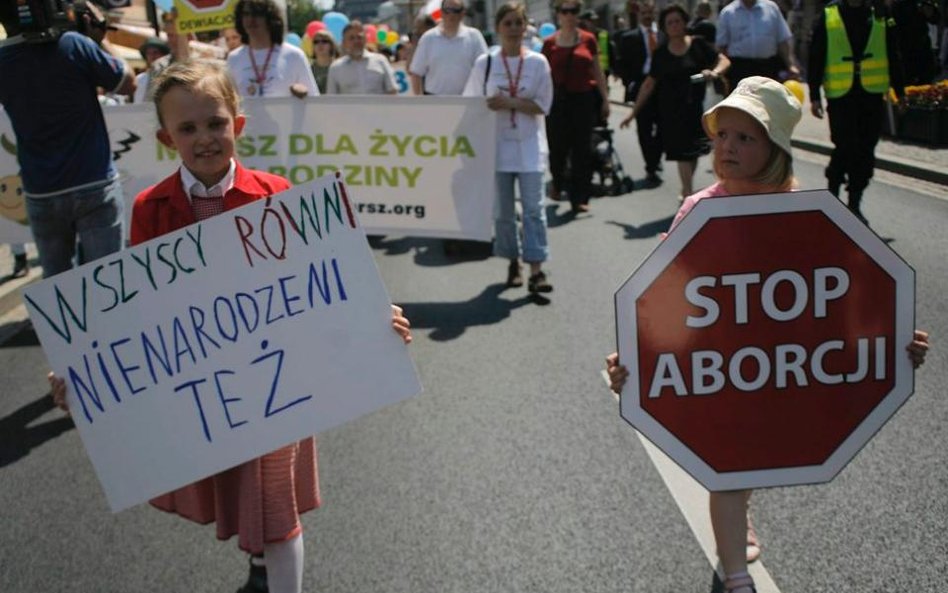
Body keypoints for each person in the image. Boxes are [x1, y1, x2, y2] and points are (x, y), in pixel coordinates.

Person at [47, 59, 413, 593]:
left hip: (282, 384)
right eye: (188, 128)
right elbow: (133, 315)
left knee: (276, 508)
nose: (205, 139)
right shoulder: (151, 208)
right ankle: (262, 567)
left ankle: (277, 573)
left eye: (215, 123)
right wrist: (79, 371)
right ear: (165, 137)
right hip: (210, 395)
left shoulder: (276, 193)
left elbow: (317, 285)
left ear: (237, 125)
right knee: (245, 496)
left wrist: (373, 317)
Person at [606, 76, 930, 593]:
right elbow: (663, 295)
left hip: (777, 370)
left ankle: (740, 517)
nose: (727, 147)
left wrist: (892, 336)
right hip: (714, 369)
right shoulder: (697, 210)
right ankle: (736, 574)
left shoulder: (805, 216)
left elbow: (842, 294)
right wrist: (636, 353)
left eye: (745, 138)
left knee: (751, 458)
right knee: (727, 464)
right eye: (722, 135)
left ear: (775, 150)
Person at [0, 2, 133, 278]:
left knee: (57, 286)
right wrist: (99, 38)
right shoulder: (75, 45)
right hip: (94, 183)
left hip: (41, 190)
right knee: (109, 278)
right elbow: (127, 81)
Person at [464, 2, 555, 293]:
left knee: (533, 210)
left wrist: (511, 103)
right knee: (503, 212)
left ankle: (537, 269)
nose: (514, 29)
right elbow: (471, 104)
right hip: (496, 149)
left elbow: (543, 105)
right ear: (498, 28)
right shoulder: (485, 63)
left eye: (518, 23)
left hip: (530, 148)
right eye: (508, 24)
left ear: (525, 26)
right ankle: (512, 261)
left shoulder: (538, 63)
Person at [808, 0, 904, 223]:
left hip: (871, 94)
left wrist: (900, 91)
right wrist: (814, 94)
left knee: (866, 148)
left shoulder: (880, 13)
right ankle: (832, 196)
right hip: (841, 94)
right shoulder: (830, 13)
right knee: (845, 145)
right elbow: (817, 54)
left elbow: (893, 51)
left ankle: (854, 202)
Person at [620, 4, 730, 199]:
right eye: (669, 22)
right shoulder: (661, 54)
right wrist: (632, 113)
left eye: (677, 21)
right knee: (681, 152)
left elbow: (724, 61)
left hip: (698, 107)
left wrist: (714, 73)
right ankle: (687, 191)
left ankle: (687, 187)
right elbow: (648, 84)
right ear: (664, 26)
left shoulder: (698, 44)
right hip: (671, 110)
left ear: (684, 22)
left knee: (694, 151)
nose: (674, 25)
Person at [542, 0, 611, 214]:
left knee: (582, 150)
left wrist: (605, 99)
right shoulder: (549, 43)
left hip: (583, 100)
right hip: (557, 103)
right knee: (558, 150)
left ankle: (579, 197)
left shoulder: (588, 39)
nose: (570, 15)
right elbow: (542, 76)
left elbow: (597, 70)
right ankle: (558, 180)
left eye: (574, 11)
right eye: (565, 11)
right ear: (558, 14)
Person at [227, 0, 319, 98]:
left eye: (257, 14)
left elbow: (314, 100)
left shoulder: (294, 55)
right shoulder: (234, 58)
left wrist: (303, 93)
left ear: (270, 18)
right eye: (246, 14)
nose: (251, 19)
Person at [615, 1, 664, 185]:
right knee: (644, 128)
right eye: (644, 11)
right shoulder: (629, 37)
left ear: (655, 12)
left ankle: (656, 157)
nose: (647, 15)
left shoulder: (662, 35)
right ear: (639, 13)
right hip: (640, 86)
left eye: (650, 11)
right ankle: (650, 166)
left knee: (663, 126)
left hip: (661, 88)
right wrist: (631, 82)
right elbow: (620, 63)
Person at [408, 0, 488, 96]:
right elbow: (416, 72)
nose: (451, 14)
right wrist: (420, 101)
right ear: (441, 12)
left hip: (467, 100)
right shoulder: (428, 38)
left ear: (463, 13)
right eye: (447, 10)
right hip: (435, 99)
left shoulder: (474, 36)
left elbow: (486, 69)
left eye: (456, 10)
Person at [715, 0, 800, 88]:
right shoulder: (728, 13)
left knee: (767, 100)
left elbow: (782, 41)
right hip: (739, 69)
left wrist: (791, 65)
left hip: (767, 68)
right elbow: (722, 47)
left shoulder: (772, 9)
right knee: (741, 101)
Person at [326, 20, 398, 95]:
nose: (356, 41)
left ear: (365, 39)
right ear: (344, 43)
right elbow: (332, 99)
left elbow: (392, 91)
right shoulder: (335, 68)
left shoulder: (381, 61)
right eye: (351, 38)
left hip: (377, 106)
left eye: (359, 37)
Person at [132, 37, 170, 103]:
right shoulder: (139, 78)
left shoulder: (169, 77)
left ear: (164, 55)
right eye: (148, 53)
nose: (152, 56)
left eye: (156, 52)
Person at [310, 29, 339, 94]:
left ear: (332, 45)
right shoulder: (308, 69)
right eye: (316, 42)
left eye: (324, 41)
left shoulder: (340, 67)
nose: (320, 44)